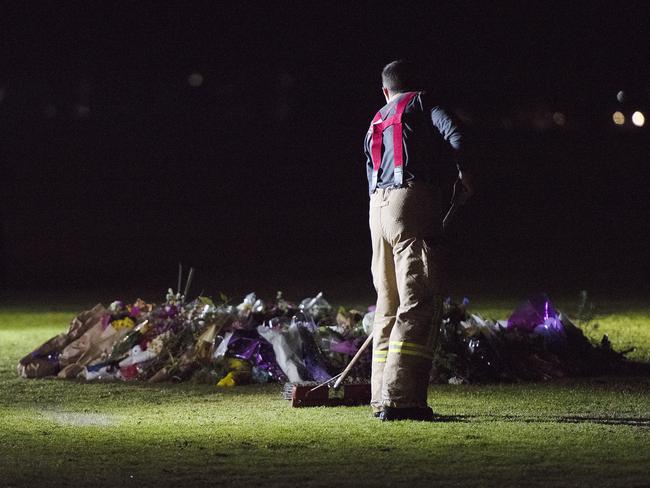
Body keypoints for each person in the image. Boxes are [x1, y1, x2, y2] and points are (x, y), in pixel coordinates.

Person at [364, 59, 473, 421]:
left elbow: (370, 168)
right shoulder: (422, 103)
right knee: (419, 298)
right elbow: (456, 133)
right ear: (414, 85)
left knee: (387, 301)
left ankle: (380, 396)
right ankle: (403, 401)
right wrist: (465, 174)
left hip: (376, 207)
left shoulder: (377, 117)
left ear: (385, 91)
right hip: (410, 199)